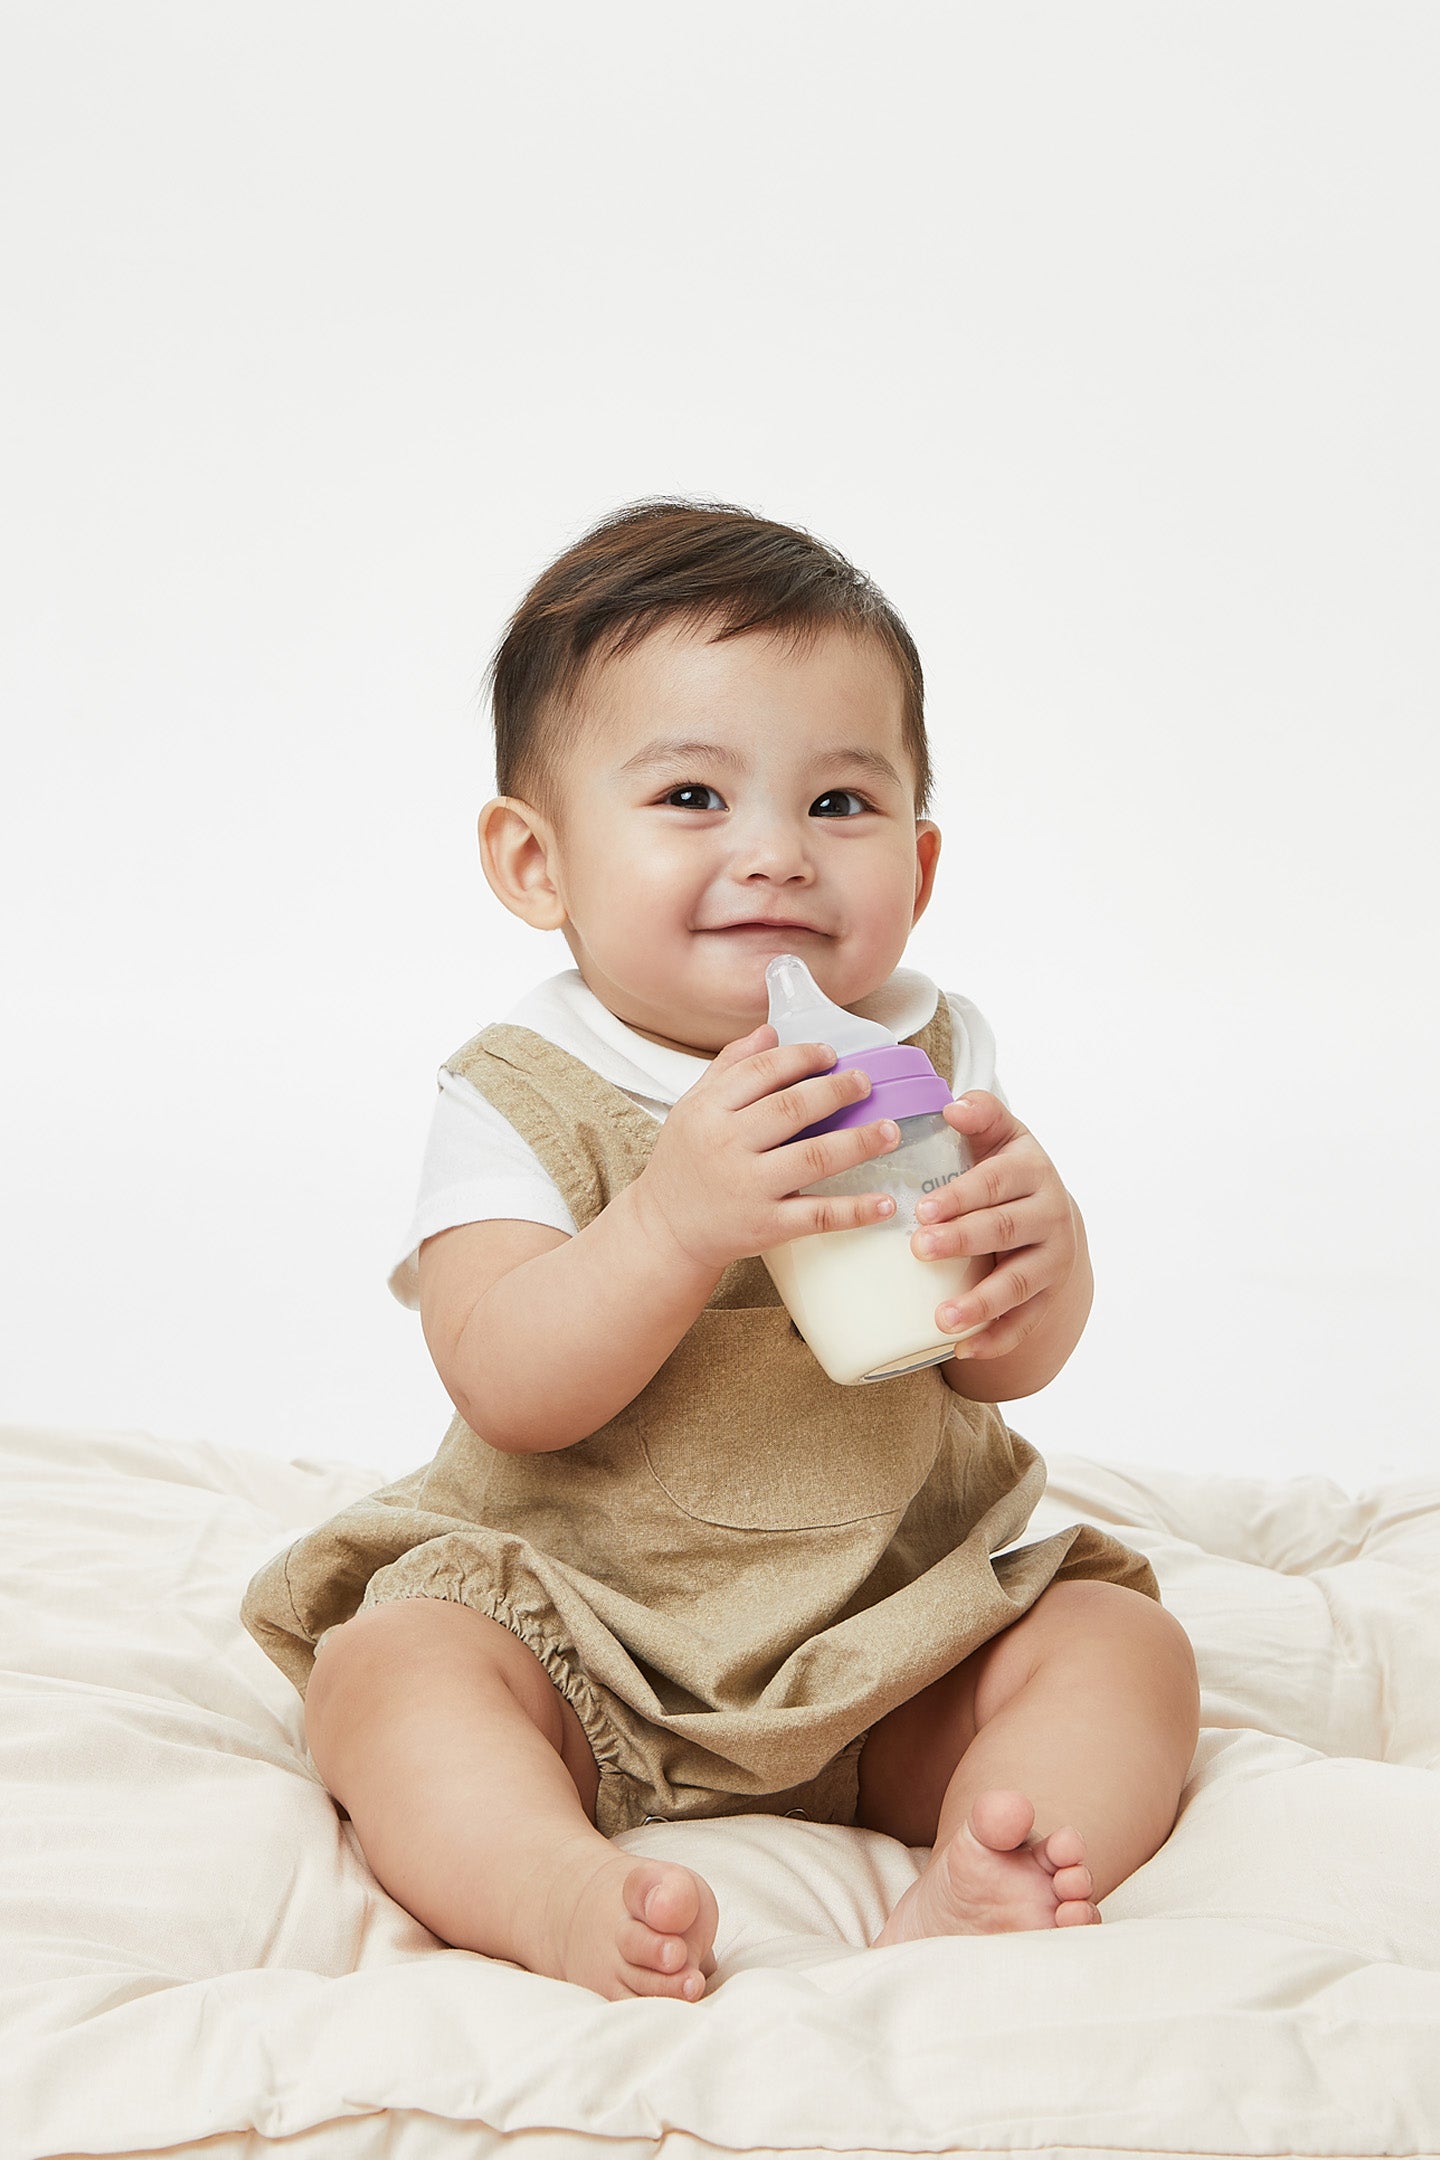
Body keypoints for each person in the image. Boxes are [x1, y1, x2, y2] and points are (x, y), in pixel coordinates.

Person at [242, 498, 1201, 2005]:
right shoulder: (517, 1092)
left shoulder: (923, 1056)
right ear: (534, 862)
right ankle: (556, 1886)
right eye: (693, 795)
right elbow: (506, 1381)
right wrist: (674, 1221)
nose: (777, 857)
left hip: (893, 1629)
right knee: (390, 1675)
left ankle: (996, 1861)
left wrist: (1038, 1255)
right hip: (576, 1632)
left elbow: (994, 1357)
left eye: (839, 806)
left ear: (921, 864)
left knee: (1117, 1646)